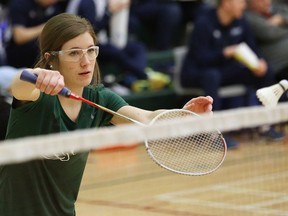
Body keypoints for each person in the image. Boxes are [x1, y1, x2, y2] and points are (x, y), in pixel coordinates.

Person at [0, 13, 213, 216]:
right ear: (51, 58)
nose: (86, 61)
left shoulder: (98, 99)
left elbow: (147, 119)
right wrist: (37, 75)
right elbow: (19, 86)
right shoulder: (36, 97)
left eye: (91, 50)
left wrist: (184, 116)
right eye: (74, 53)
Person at [180, 0, 283, 142]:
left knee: (264, 72)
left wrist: (259, 62)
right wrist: (224, 53)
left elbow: (252, 47)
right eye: (239, 2)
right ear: (226, 3)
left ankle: (264, 126)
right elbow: (200, 59)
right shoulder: (204, 23)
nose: (243, 5)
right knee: (212, 75)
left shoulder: (241, 22)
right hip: (197, 73)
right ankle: (214, 134)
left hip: (225, 72)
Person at [66, 0, 171, 92]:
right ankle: (144, 76)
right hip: (83, 47)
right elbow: (89, 32)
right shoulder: (86, 3)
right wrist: (109, 12)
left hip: (103, 41)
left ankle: (133, 79)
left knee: (137, 47)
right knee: (114, 52)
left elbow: (131, 25)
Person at [5, 0, 65, 68]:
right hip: (18, 60)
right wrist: (47, 26)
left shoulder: (57, 6)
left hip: (44, 57)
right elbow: (19, 37)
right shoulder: (20, 4)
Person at [245, 0, 288, 81]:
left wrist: (282, 19)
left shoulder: (274, 9)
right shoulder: (249, 17)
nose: (267, 2)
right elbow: (269, 32)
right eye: (261, 0)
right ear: (252, 2)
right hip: (280, 65)